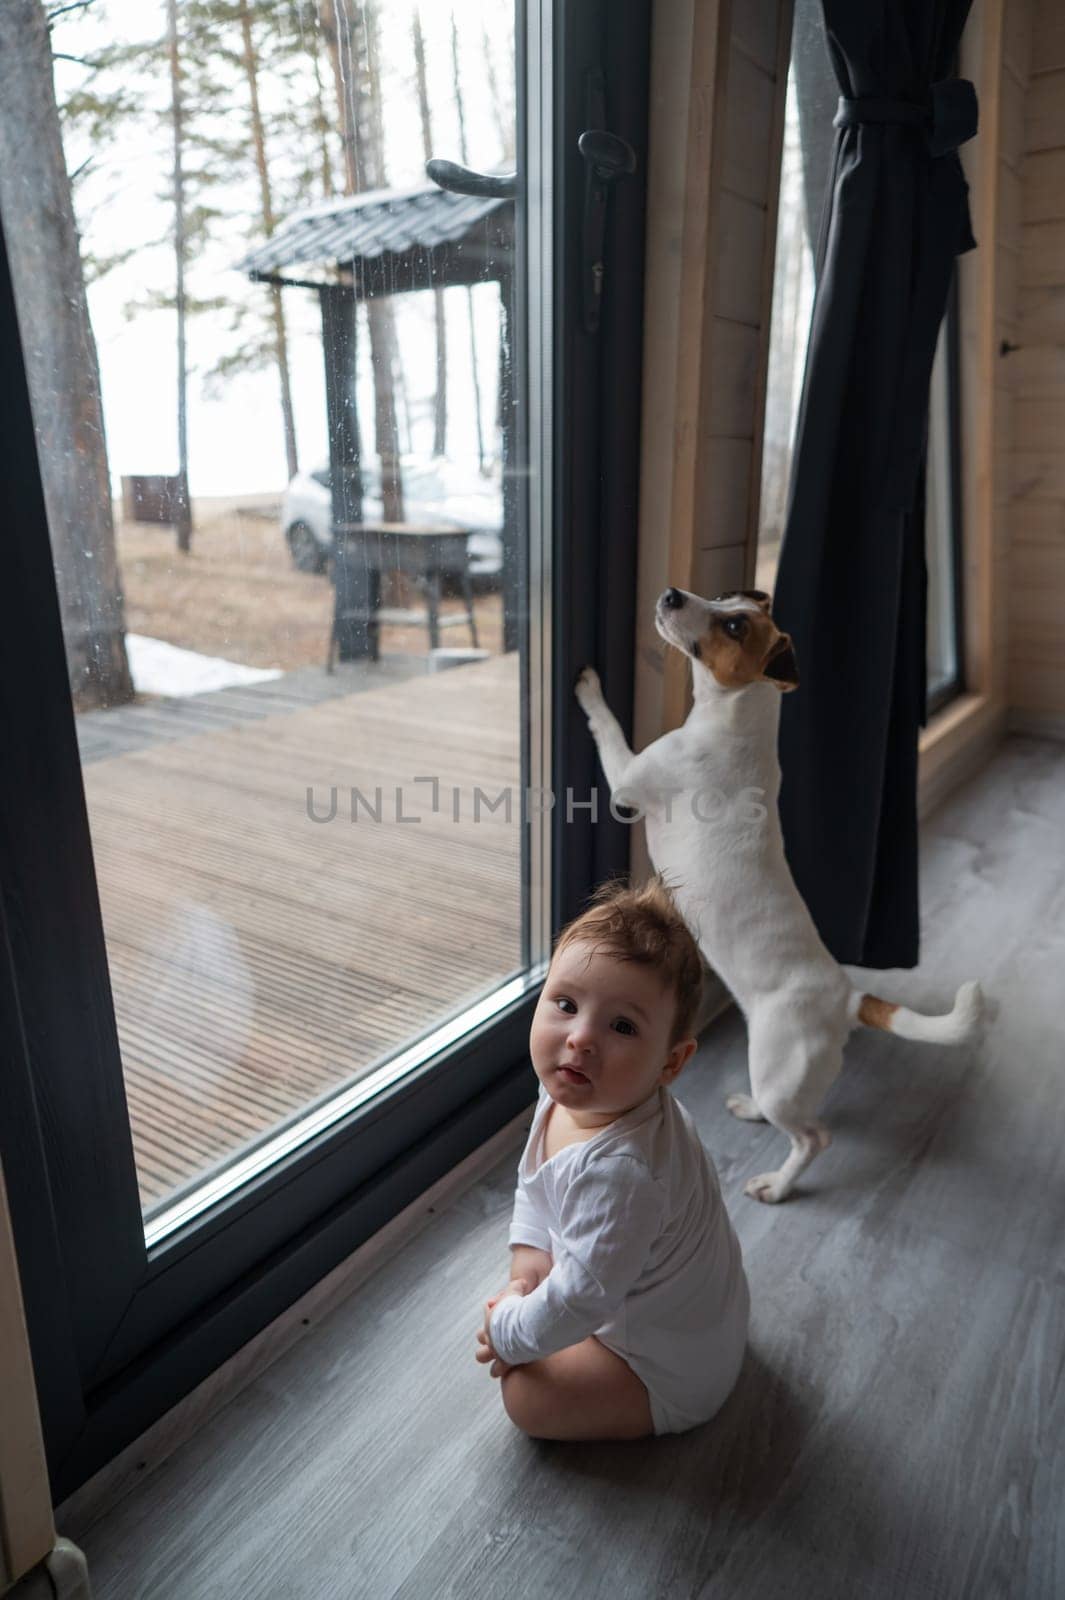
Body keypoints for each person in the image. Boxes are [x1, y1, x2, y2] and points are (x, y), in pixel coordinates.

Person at [475, 875, 750, 1439]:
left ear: (672, 1063)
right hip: (674, 1312)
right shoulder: (571, 1091)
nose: (580, 1038)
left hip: (670, 1368)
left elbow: (579, 1299)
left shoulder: (622, 1173)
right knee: (539, 1306)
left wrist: (510, 1333)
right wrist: (527, 1268)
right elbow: (536, 1188)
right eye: (566, 1003)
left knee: (525, 1397)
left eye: (622, 1025)